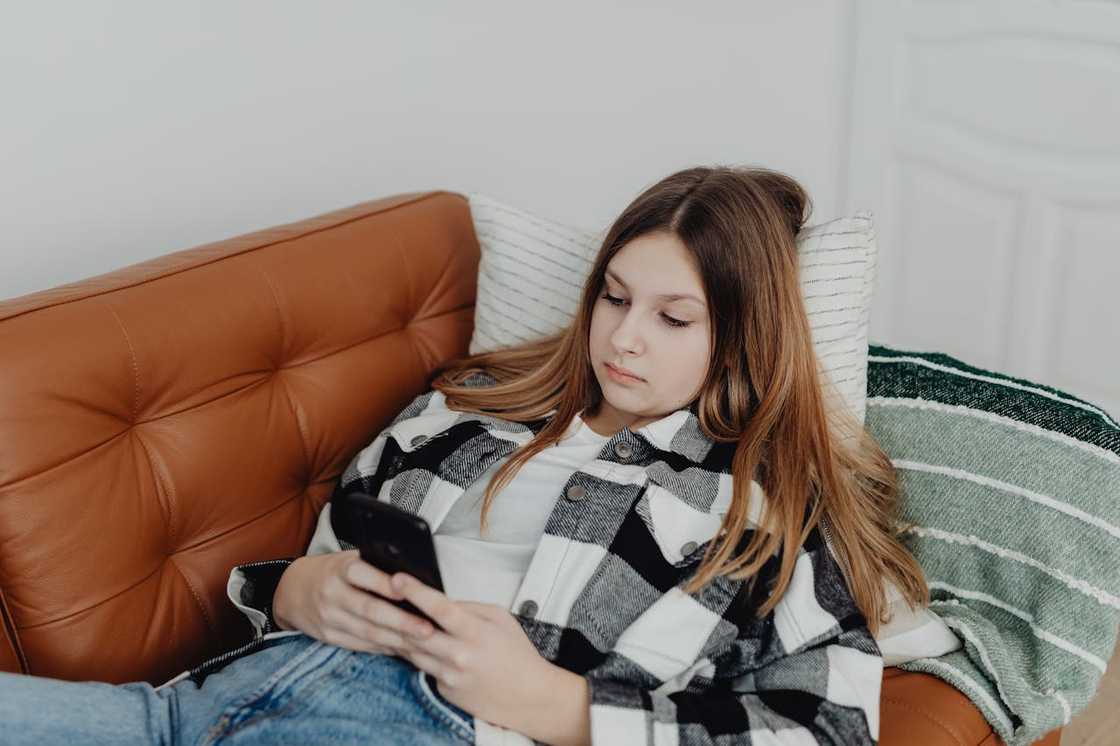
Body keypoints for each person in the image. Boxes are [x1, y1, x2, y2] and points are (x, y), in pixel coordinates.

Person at [0, 165, 928, 745]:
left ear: (740, 340)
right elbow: (337, 557)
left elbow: (829, 728)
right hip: (188, 707)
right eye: (612, 297)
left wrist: (560, 709)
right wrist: (292, 590)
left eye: (673, 317)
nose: (625, 338)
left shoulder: (763, 509)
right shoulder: (462, 413)